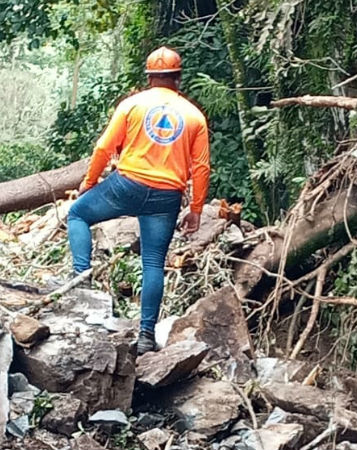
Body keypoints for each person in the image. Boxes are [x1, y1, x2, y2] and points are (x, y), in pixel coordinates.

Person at [67, 46, 210, 355]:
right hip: (166, 197)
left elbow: (104, 148)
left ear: (149, 77)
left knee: (78, 214)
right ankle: (145, 335)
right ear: (177, 78)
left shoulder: (132, 105)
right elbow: (201, 168)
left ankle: (81, 283)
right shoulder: (194, 116)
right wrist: (196, 210)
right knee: (153, 263)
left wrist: (89, 183)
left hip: (126, 185)